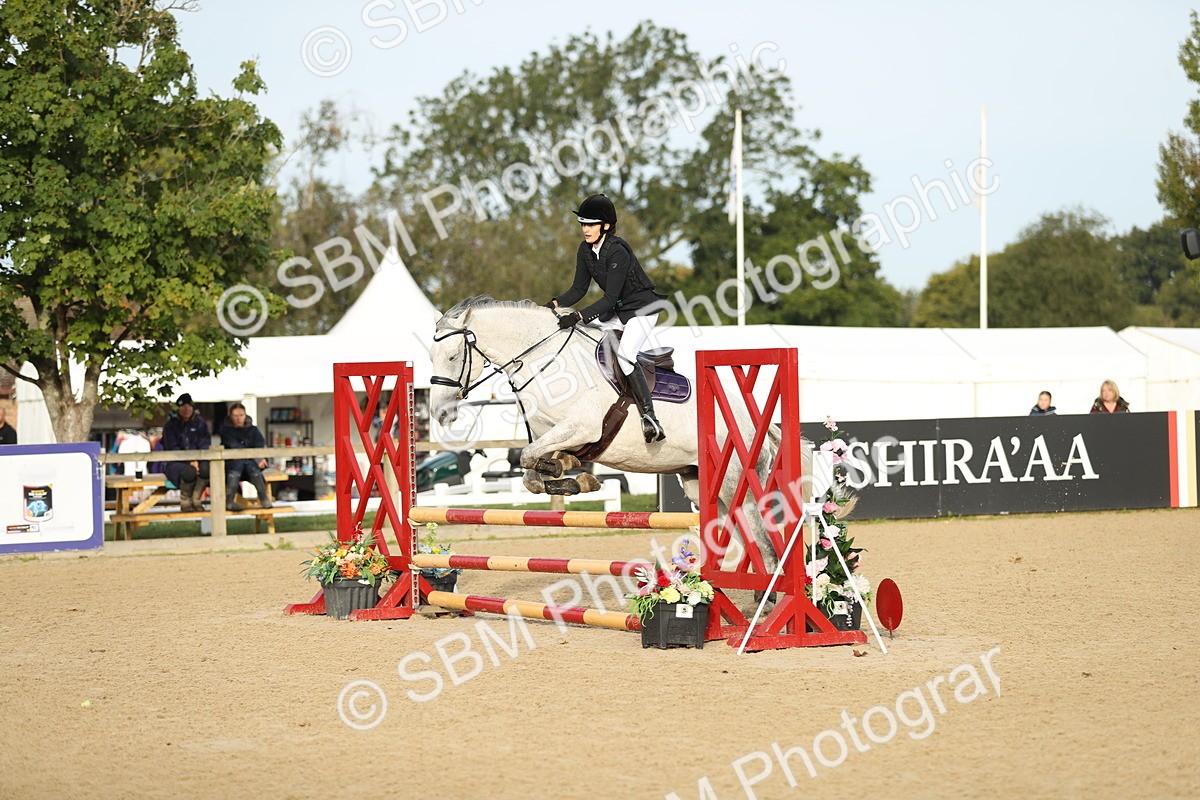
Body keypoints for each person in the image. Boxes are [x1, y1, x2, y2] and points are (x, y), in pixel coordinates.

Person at [547, 194, 669, 443]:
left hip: (641, 310)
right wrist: (555, 304)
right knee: (581, 336)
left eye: (590, 224)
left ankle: (650, 418)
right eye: (582, 224)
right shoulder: (585, 250)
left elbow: (611, 298)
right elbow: (578, 290)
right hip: (617, 312)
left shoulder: (618, 251)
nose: (585, 229)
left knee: (625, 356)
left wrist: (579, 315)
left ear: (605, 225)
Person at [159, 393, 212, 511]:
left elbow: (205, 444)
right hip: (174, 461)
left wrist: (198, 459)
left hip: (198, 459)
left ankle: (196, 499)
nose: (186, 409)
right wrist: (189, 460)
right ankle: (185, 501)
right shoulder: (170, 425)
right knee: (189, 472)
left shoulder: (200, 424)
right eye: (183, 407)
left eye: (189, 406)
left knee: (207, 469)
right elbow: (172, 447)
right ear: (178, 408)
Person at [219, 403, 272, 512]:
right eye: (235, 416)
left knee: (250, 466)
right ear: (230, 416)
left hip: (250, 465)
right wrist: (255, 458)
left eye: (241, 415)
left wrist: (258, 457)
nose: (238, 418)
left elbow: (259, 443)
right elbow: (234, 446)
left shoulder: (253, 430)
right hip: (232, 465)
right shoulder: (225, 430)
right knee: (240, 463)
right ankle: (229, 501)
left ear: (245, 415)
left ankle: (264, 498)